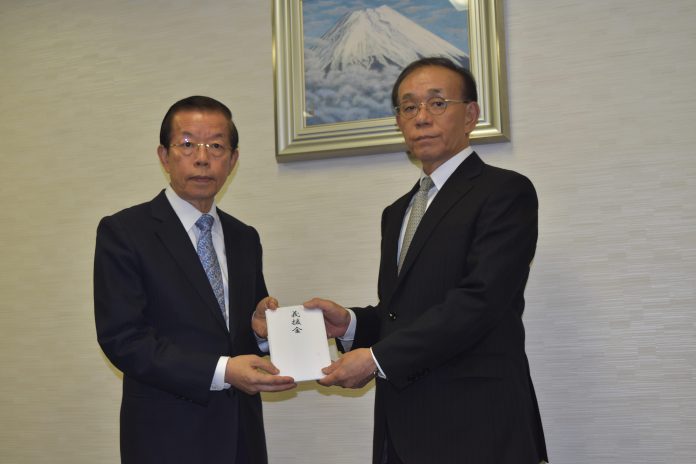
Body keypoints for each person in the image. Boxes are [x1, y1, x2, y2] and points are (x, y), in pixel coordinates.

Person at [306, 57, 548, 463]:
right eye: (409, 107)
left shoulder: (505, 192)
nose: (421, 118)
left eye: (437, 104)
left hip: (479, 426)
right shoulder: (397, 212)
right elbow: (400, 313)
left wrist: (377, 359)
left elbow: (480, 301)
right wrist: (349, 323)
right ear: (398, 121)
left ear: (470, 115)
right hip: (402, 428)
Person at [94, 96, 296, 464]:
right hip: (166, 438)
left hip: (241, 437)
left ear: (233, 160)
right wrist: (223, 371)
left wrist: (261, 334)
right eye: (187, 144)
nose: (202, 158)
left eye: (216, 146)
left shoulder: (244, 237)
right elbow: (123, 340)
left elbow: (240, 334)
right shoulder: (125, 232)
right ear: (164, 155)